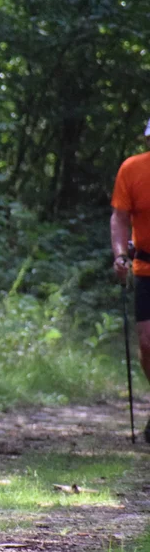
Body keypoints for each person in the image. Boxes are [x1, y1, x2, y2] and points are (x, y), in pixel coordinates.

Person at [111, 119, 150, 443]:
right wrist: (120, 254)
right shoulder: (133, 169)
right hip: (146, 268)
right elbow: (120, 216)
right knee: (148, 343)